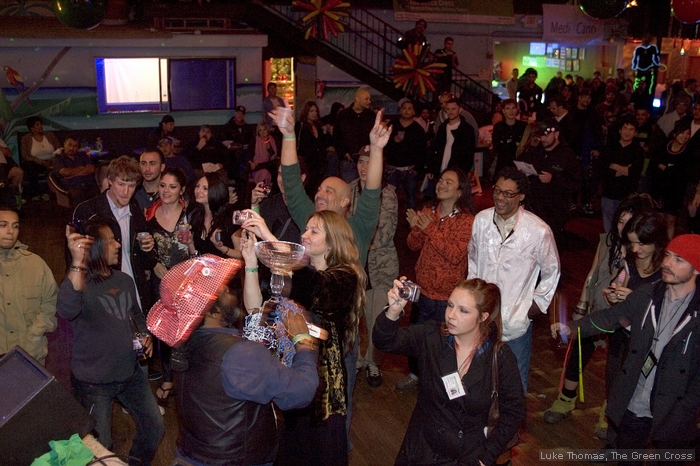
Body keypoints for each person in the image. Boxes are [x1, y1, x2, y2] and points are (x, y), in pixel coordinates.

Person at [552, 234, 700, 464]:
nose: (667, 264)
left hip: (673, 410)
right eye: (668, 256)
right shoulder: (647, 296)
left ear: (697, 270)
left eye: (679, 260)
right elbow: (610, 317)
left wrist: (688, 407)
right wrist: (571, 328)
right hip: (636, 402)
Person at [241, 210, 366, 466]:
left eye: (314, 231)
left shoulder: (345, 277)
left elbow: (315, 287)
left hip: (322, 390)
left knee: (317, 453)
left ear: (332, 242)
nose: (304, 235)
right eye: (306, 228)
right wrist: (251, 264)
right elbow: (257, 312)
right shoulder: (296, 277)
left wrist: (269, 239)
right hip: (289, 377)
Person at [373, 278, 526, 465]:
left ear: (483, 316)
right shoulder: (432, 338)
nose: (451, 315)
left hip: (465, 457)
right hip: (422, 451)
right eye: (450, 305)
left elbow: (514, 412)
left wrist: (486, 457)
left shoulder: (499, 357)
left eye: (463, 311)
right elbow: (385, 341)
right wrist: (393, 311)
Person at [174, 273, 320, 466]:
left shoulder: (184, 341)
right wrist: (303, 340)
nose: (228, 289)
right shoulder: (239, 354)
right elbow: (302, 391)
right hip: (233, 460)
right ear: (210, 311)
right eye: (221, 291)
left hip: (192, 453)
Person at [543, 201, 661, 436]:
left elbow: (654, 298)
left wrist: (630, 297)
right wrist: (586, 303)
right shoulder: (609, 243)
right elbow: (596, 275)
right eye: (620, 221)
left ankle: (610, 415)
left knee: (617, 370)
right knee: (579, 353)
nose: (622, 227)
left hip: (626, 323)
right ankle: (566, 401)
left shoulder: (651, 260)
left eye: (629, 223)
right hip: (601, 311)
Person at [59, 219, 164, 465]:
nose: (118, 245)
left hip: (132, 375)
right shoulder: (79, 283)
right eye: (111, 241)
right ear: (95, 248)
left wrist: (145, 334)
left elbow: (136, 316)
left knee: (155, 427)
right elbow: (66, 310)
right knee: (100, 448)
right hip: (95, 384)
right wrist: (77, 262)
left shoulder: (124, 280)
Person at [468, 167, 560, 393]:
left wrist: (535, 305)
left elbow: (552, 270)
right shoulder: (481, 221)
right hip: (482, 317)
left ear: (521, 197)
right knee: (478, 379)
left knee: (513, 383)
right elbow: (472, 259)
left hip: (515, 322)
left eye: (508, 194)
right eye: (497, 191)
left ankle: (509, 427)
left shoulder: (538, 230)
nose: (500, 198)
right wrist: (471, 298)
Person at [278, 107, 389, 268]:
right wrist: (288, 136)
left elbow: (371, 192)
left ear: (345, 201)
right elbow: (292, 184)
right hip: (312, 292)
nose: (319, 194)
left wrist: (377, 149)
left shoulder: (358, 228)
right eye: (319, 190)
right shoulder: (310, 219)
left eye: (328, 191)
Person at [397, 168, 475, 390]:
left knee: (448, 346)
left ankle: (447, 387)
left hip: (448, 298)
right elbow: (413, 245)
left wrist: (428, 227)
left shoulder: (466, 221)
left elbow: (454, 255)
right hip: (422, 292)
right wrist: (417, 229)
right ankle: (416, 375)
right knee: (417, 340)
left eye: (448, 182)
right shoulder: (429, 211)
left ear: (460, 191)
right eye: (440, 180)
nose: (441, 184)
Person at [73, 156, 158, 311]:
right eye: (121, 184)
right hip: (102, 292)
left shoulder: (135, 211)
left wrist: (148, 248)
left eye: (131, 186)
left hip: (134, 290)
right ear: (109, 181)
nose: (125, 192)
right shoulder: (88, 211)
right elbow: (76, 259)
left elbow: (145, 262)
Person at [349, 145, 399, 387]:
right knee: (356, 319)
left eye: (370, 161)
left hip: (380, 267)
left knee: (376, 318)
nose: (363, 167)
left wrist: (355, 241)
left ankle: (373, 364)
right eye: (360, 161)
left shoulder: (387, 194)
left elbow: (385, 233)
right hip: (356, 266)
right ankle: (357, 360)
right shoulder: (348, 190)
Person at [144, 167, 191, 403]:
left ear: (181, 189)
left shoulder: (191, 215)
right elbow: (141, 249)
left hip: (187, 283)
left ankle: (186, 377)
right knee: (162, 330)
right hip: (160, 281)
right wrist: (153, 264)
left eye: (172, 186)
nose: (166, 191)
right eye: (163, 186)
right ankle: (167, 377)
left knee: (186, 331)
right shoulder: (149, 215)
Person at [0, 205, 57, 365]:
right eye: (3, 225)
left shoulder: (36, 264)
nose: (10, 231)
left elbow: (51, 303)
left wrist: (35, 335)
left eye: (15, 226)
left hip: (30, 358)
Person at [519, 119, 581, 246]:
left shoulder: (567, 155)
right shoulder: (536, 152)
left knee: (551, 244)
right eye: (541, 135)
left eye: (547, 135)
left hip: (555, 210)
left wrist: (553, 179)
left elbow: (576, 184)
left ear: (556, 134)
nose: (543, 139)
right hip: (535, 207)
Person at [597, 117, 645, 232]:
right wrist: (625, 169)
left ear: (635, 133)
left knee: (625, 228)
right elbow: (602, 169)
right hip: (608, 193)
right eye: (625, 128)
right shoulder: (609, 147)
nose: (627, 132)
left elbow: (634, 173)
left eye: (631, 129)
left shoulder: (638, 151)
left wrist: (613, 165)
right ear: (620, 130)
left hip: (627, 195)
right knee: (608, 228)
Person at [651, 120, 692, 237]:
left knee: (670, 220)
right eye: (682, 133)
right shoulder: (663, 146)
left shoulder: (688, 152)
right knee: (657, 220)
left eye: (687, 134)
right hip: (659, 189)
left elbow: (681, 173)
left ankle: (668, 248)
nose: (685, 136)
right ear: (675, 133)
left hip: (675, 192)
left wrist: (665, 168)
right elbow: (654, 165)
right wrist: (668, 170)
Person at [187, 172, 241, 259]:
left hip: (226, 270)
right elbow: (196, 257)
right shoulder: (196, 215)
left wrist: (222, 248)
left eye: (205, 188)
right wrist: (189, 243)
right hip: (204, 270)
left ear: (216, 191)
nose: (198, 191)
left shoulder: (230, 217)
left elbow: (241, 255)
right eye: (197, 186)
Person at [384, 99, 426, 209]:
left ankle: (410, 224)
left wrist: (418, 168)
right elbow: (383, 145)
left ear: (413, 112)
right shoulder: (392, 125)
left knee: (411, 198)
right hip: (392, 169)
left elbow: (423, 150)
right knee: (389, 198)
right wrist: (392, 140)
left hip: (410, 170)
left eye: (409, 109)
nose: (406, 111)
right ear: (400, 110)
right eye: (404, 108)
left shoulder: (418, 129)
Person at [333, 88, 376, 183]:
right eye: (366, 99)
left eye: (369, 99)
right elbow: (336, 137)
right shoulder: (343, 115)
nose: (369, 101)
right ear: (357, 99)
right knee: (349, 190)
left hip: (367, 161)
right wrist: (343, 153)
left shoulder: (371, 116)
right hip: (348, 162)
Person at [429, 98, 476, 180]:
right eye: (448, 109)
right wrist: (431, 169)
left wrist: (464, 171)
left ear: (460, 109)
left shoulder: (467, 130)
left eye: (453, 109)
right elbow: (435, 149)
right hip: (440, 171)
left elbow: (469, 153)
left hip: (457, 172)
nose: (450, 112)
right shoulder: (442, 128)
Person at [20, 116, 60, 200]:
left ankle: (54, 192)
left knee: (59, 164)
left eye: (41, 124)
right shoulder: (26, 139)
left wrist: (52, 159)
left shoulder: (50, 135)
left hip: (52, 160)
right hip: (36, 163)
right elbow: (25, 155)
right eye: (37, 125)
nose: (40, 126)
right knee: (29, 167)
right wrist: (39, 161)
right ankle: (36, 193)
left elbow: (58, 149)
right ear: (32, 128)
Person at [295, 101, 330, 195]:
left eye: (315, 111)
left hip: (317, 162)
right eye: (311, 111)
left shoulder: (318, 126)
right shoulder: (301, 125)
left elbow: (323, 143)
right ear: (306, 112)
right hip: (306, 161)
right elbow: (300, 144)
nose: (314, 113)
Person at [52, 135, 98, 206]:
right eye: (69, 145)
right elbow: (65, 172)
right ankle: (79, 216)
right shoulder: (58, 158)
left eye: (75, 146)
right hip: (70, 186)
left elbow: (91, 168)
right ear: (64, 144)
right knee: (78, 194)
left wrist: (73, 173)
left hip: (87, 183)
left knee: (99, 191)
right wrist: (81, 168)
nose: (71, 148)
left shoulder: (82, 155)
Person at [492, 99, 527, 178]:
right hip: (503, 163)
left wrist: (507, 143)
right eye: (508, 108)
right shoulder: (498, 127)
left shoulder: (523, 126)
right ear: (503, 111)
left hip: (519, 163)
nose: (511, 111)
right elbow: (496, 147)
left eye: (513, 108)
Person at [0, 138, 23, 208]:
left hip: (4, 165)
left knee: (18, 172)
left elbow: (9, 154)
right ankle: (10, 202)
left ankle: (14, 197)